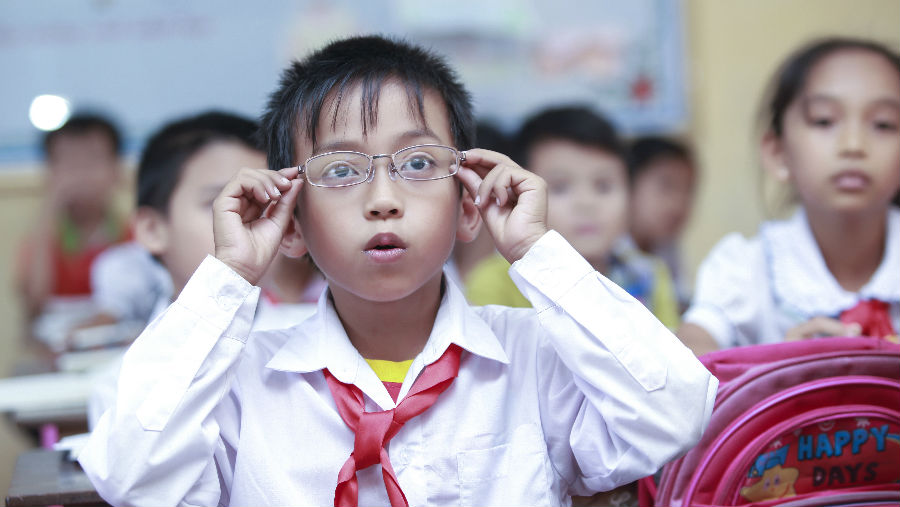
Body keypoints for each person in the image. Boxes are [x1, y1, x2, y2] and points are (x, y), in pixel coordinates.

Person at [79, 35, 715, 506]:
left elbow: (673, 414)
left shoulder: (533, 358)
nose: (383, 198)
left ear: (468, 204)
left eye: (416, 164)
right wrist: (230, 278)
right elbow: (131, 475)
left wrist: (539, 252)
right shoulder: (242, 382)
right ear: (292, 223)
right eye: (341, 170)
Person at [86, 111, 324, 426]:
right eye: (222, 201)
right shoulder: (120, 386)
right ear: (152, 229)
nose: (246, 222)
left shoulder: (318, 341)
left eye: (266, 203)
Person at [678, 37, 900, 356]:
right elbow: (690, 354)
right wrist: (776, 371)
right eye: (824, 120)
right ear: (778, 152)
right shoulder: (741, 270)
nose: (854, 144)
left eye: (883, 124)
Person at [466, 106, 680, 329]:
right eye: (560, 188)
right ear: (518, 193)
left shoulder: (650, 276)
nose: (586, 203)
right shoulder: (495, 282)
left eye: (603, 186)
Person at [16, 114, 130, 354]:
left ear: (116, 170)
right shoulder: (42, 240)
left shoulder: (133, 235)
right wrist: (50, 206)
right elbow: (34, 303)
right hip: (57, 356)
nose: (81, 173)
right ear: (49, 172)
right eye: (68, 162)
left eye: (92, 160)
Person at [627, 136, 697, 311]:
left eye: (688, 190)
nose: (678, 203)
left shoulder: (667, 249)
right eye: (667, 186)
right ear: (627, 185)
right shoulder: (607, 253)